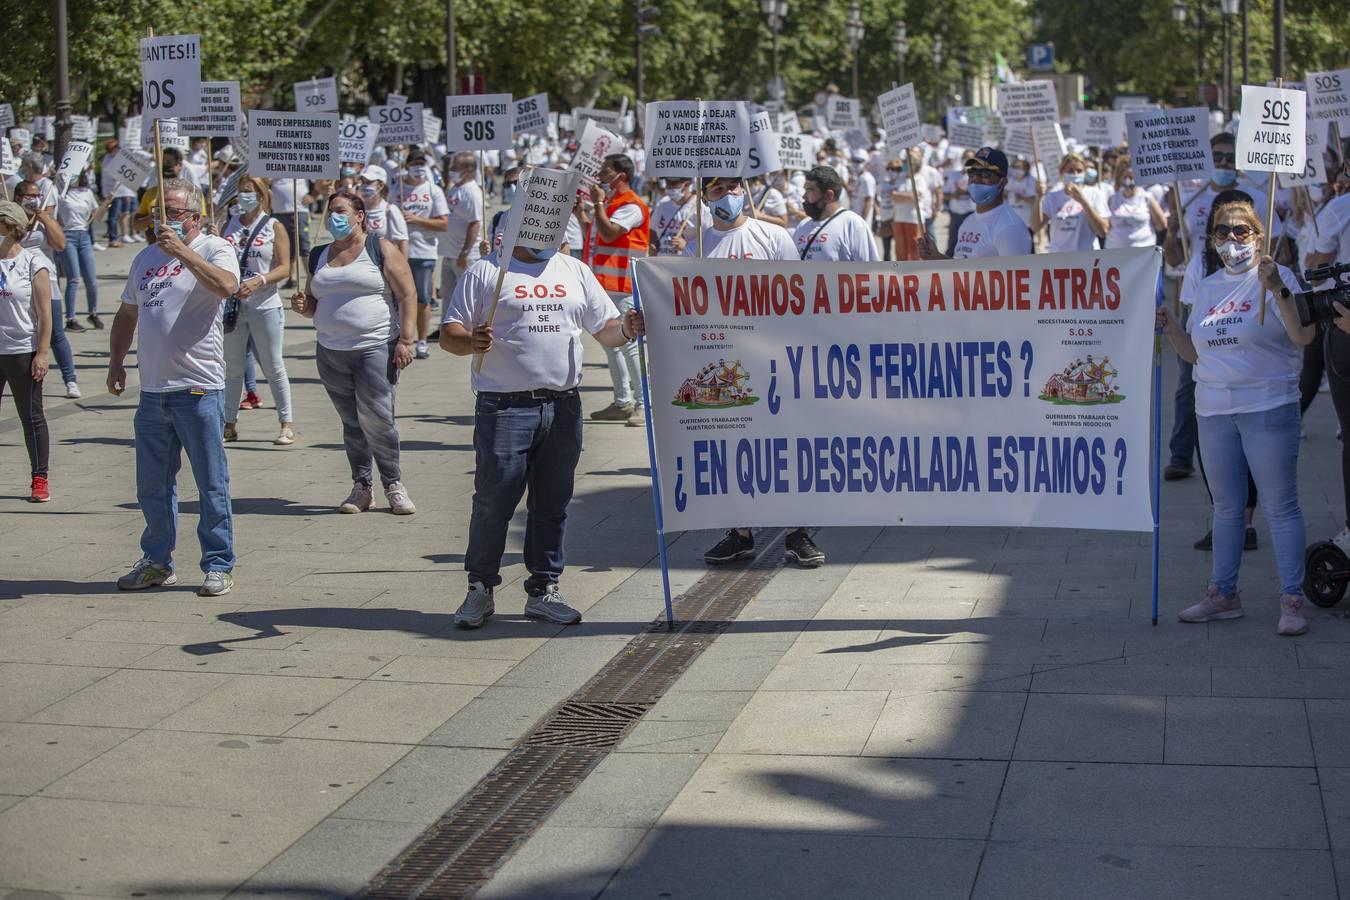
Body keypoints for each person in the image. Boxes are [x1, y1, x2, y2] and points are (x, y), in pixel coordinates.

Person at [439, 238, 640, 628]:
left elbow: (607, 329)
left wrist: (628, 328)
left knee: (552, 503)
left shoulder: (573, 269)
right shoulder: (486, 271)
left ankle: (544, 588)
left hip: (563, 405)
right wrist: (470, 341)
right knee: (493, 502)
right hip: (504, 406)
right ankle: (480, 587)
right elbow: (450, 335)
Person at [1157, 193, 1313, 635]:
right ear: (1211, 240)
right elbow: (1194, 353)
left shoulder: (1279, 276)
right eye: (1222, 231)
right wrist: (1170, 327)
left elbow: (1304, 336)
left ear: (1258, 236)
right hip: (1214, 410)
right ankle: (1223, 594)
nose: (1232, 238)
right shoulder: (1205, 285)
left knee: (1280, 507)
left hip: (1268, 405)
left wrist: (1278, 289)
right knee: (1225, 508)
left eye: (1241, 230)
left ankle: (1292, 599)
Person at [108, 178, 240, 597]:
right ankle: (156, 561)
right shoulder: (146, 258)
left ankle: (218, 564)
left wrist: (181, 252)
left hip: (198, 388)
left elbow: (226, 286)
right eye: (159, 212)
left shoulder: (214, 249)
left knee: (210, 482)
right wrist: (116, 361)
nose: (165, 220)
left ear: (196, 217)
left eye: (176, 212)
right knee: (152, 485)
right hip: (154, 391)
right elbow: (128, 313)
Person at [685, 175, 824, 568]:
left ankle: (797, 533)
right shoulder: (697, 244)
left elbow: (799, 296)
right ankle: (740, 532)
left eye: (733, 187)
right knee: (732, 450)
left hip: (774, 362)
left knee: (785, 449)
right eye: (717, 189)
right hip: (724, 366)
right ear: (703, 197)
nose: (728, 195)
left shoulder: (774, 237)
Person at [291, 189, 419, 515]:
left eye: (341, 211)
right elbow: (313, 303)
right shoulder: (319, 254)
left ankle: (394, 484)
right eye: (330, 211)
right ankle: (362, 486)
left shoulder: (379, 248)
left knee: (378, 419)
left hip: (374, 347)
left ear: (359, 215)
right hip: (332, 351)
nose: (334, 217)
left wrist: (406, 340)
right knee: (351, 422)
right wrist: (304, 306)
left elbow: (407, 295)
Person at [1162, 133, 1271, 481]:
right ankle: (1181, 455)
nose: (1223, 163)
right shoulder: (1189, 198)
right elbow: (1176, 258)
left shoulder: (1256, 198)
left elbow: (1276, 248)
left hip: (1247, 301)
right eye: (1218, 157)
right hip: (1199, 299)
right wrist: (1170, 230)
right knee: (1188, 380)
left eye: (1229, 157)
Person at [220, 176, 295, 446]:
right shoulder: (228, 224)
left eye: (249, 192)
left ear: (262, 196)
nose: (243, 197)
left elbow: (286, 267)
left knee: (273, 365)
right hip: (234, 306)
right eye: (240, 192)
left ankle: (286, 423)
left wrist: (260, 281)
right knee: (233, 367)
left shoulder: (274, 227)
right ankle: (229, 423)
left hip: (265, 305)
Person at [583, 154, 650, 427]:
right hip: (606, 284)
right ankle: (623, 401)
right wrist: (584, 212)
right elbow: (599, 233)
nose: (600, 175)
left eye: (605, 170)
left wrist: (598, 203)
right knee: (610, 344)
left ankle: (645, 405)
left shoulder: (632, 204)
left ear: (621, 174)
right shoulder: (612, 203)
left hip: (624, 285)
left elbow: (610, 232)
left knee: (631, 345)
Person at [0, 200, 53, 502]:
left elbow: (45, 313)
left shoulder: (33, 261)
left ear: (10, 228)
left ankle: (39, 477)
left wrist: (42, 353)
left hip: (22, 350)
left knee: (31, 417)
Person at [14, 179, 77, 399]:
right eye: (29, 196)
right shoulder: (12, 220)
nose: (33, 199)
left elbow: (60, 244)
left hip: (45, 281)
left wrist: (44, 218)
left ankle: (70, 380)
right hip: (17, 284)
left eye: (36, 195)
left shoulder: (43, 220)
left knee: (56, 334)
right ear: (18, 198)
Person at [921, 147, 1032, 260]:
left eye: (985, 174)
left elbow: (1016, 275)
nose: (975, 179)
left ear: (1002, 182)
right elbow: (962, 270)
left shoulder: (1009, 227)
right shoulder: (968, 222)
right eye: (972, 172)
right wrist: (935, 256)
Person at [396, 148, 448, 359]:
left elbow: (443, 224)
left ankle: (422, 341)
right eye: (414, 163)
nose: (417, 167)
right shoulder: (396, 189)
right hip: (398, 253)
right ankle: (400, 337)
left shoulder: (433, 190)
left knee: (423, 300)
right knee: (398, 299)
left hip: (424, 252)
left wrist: (416, 220)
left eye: (421, 163)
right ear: (406, 166)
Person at [437, 151, 482, 337]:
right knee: (448, 294)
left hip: (464, 255)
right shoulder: (455, 188)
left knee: (467, 296)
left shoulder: (472, 192)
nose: (451, 170)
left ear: (469, 170)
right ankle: (446, 329)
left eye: (456, 168)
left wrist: (465, 252)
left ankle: (468, 331)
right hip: (449, 253)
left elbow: (475, 223)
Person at [793, 165, 879, 261]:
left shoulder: (853, 224)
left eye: (810, 190)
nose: (804, 196)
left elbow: (871, 270)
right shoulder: (802, 226)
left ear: (829, 195)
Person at [1034, 154, 1110, 252]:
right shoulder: (1052, 197)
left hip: (1088, 258)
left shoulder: (1094, 194)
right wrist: (1038, 198)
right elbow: (1036, 227)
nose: (1075, 174)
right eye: (1070, 171)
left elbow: (1103, 231)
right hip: (1060, 258)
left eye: (1079, 171)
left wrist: (1083, 201)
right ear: (1062, 173)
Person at [56, 168, 101, 332]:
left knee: (92, 280)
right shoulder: (60, 193)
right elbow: (54, 213)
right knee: (73, 278)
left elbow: (96, 212)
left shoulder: (87, 192)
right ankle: (70, 318)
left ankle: (93, 312)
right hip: (67, 235)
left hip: (84, 235)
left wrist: (88, 221)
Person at [1104, 156, 1167, 249]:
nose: (1128, 180)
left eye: (1131, 176)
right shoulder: (1112, 199)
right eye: (1125, 176)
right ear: (1120, 177)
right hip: (1114, 253)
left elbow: (1161, 225)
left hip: (1142, 255)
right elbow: (1106, 226)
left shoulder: (1147, 197)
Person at [890, 149, 937, 261]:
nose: (904, 164)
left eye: (907, 162)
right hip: (899, 218)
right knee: (900, 250)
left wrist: (900, 195)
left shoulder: (919, 179)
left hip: (914, 219)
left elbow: (914, 196)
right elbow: (893, 195)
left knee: (915, 250)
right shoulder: (900, 178)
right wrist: (904, 196)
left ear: (914, 164)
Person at [356, 167, 408, 256]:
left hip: (383, 264)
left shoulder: (390, 210)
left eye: (368, 182)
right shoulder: (357, 209)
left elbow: (402, 242)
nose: (364, 186)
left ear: (380, 185)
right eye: (363, 182)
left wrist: (403, 268)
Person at [100, 139, 136, 249]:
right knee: (113, 216)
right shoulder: (108, 160)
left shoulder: (113, 158)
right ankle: (113, 239)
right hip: (113, 192)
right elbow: (114, 176)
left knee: (118, 215)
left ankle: (115, 237)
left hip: (118, 192)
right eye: (117, 148)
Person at [943, 150, 977, 257]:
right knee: (953, 240)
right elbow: (945, 194)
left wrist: (964, 192)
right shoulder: (954, 175)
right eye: (965, 158)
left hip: (970, 214)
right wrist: (954, 195)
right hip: (955, 213)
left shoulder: (977, 177)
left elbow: (978, 195)